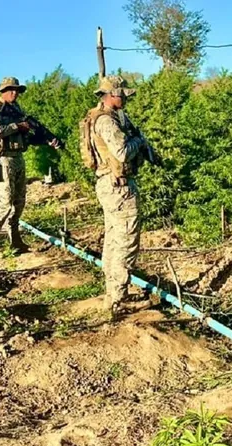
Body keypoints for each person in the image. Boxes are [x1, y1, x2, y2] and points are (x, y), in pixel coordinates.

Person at [83, 76, 159, 319]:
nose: (126, 98)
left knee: (114, 239)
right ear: (112, 94)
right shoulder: (106, 121)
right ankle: (118, 299)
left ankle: (112, 293)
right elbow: (123, 152)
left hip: (110, 185)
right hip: (119, 187)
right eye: (122, 94)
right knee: (125, 241)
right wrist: (139, 140)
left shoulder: (106, 116)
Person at [0, 77, 60, 259]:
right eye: (11, 90)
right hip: (3, 159)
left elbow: (26, 137)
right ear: (2, 91)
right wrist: (18, 126)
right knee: (4, 202)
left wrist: (45, 139)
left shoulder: (16, 109)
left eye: (17, 90)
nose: (14, 93)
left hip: (18, 157)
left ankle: (15, 240)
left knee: (19, 201)